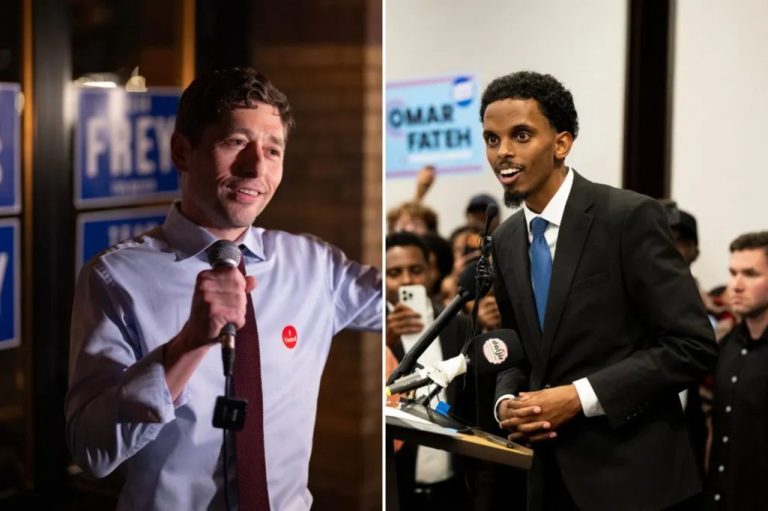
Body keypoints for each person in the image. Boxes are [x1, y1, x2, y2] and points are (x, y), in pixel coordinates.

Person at [65, 67, 381, 510]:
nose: (256, 167)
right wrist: (188, 345)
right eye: (235, 143)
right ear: (182, 151)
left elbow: (413, 305)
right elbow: (92, 450)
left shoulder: (313, 265)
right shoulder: (115, 278)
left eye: (273, 150)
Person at [484, 71, 718, 510]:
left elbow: (692, 345)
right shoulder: (506, 240)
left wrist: (579, 397)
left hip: (637, 484)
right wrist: (506, 404)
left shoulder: (628, 217)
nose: (504, 153)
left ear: (561, 143)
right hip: (548, 482)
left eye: (520, 135)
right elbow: (518, 352)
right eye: (492, 140)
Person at [384, 231, 469, 510]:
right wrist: (384, 341)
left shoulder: (459, 326)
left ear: (431, 272)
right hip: (397, 488)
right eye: (395, 272)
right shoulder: (373, 332)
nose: (407, 280)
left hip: (456, 487)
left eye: (416, 270)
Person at [706, 231, 768, 510]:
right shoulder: (727, 345)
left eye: (751, 274)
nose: (736, 285)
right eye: (732, 273)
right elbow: (716, 430)